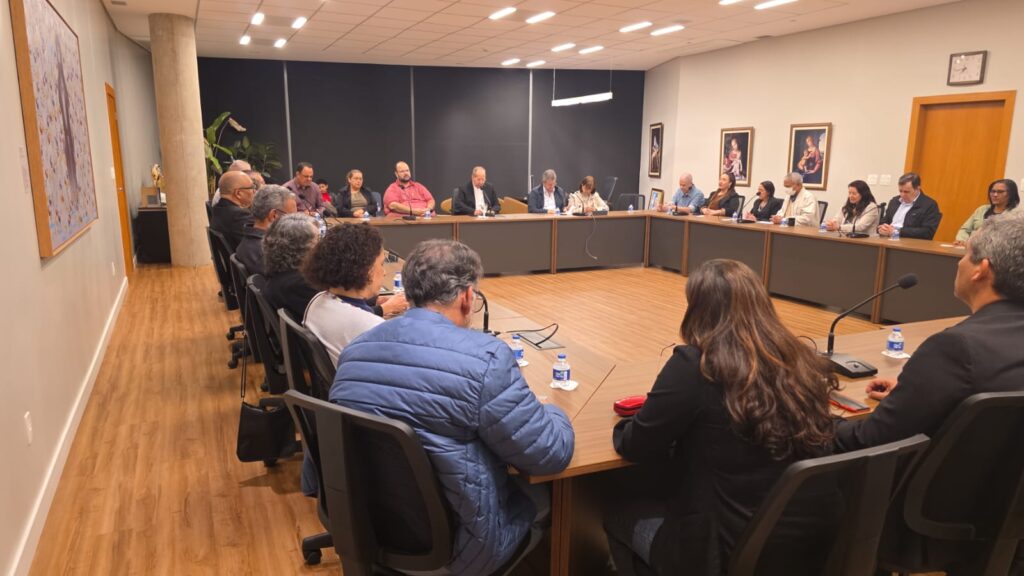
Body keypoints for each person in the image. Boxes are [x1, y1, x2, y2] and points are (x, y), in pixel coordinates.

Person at [330, 239, 574, 576]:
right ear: (467, 297)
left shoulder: (354, 350)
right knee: (545, 496)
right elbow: (548, 454)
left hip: (367, 525)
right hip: (458, 547)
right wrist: (556, 412)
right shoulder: (486, 358)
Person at [605, 259, 840, 576]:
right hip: (804, 549)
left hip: (720, 553)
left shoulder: (696, 365)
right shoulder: (801, 361)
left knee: (617, 513)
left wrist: (628, 423)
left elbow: (636, 446)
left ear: (698, 309)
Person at [836, 210, 1024, 451]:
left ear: (981, 270)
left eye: (966, 254)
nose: (959, 262)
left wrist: (816, 421)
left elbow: (868, 441)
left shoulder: (955, 347)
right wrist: (912, 395)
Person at [302, 223, 407, 366]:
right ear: (367, 271)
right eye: (381, 264)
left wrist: (371, 303)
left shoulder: (316, 301)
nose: (384, 272)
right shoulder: (372, 327)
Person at [261, 213, 320, 320]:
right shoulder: (300, 285)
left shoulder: (279, 270)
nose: (320, 245)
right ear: (301, 246)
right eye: (317, 240)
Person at [235, 185, 296, 276]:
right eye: (293, 217)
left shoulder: (250, 241)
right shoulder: (270, 254)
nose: (296, 222)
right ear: (274, 215)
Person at [877, 172, 941, 239]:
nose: (902, 195)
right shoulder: (894, 201)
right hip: (887, 239)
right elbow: (884, 221)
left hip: (908, 241)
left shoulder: (929, 205)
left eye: (906, 192)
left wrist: (897, 231)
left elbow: (928, 232)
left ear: (917, 189)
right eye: (900, 191)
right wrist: (881, 228)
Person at [955, 178, 1019, 245]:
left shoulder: (1016, 215)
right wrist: (962, 240)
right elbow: (965, 229)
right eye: (993, 191)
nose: (995, 195)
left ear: (1011, 194)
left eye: (1000, 192)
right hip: (971, 247)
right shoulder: (982, 209)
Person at [210, 170, 255, 250]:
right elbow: (255, 247)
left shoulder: (218, 208)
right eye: (252, 188)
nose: (254, 191)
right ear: (238, 193)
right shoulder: (240, 215)